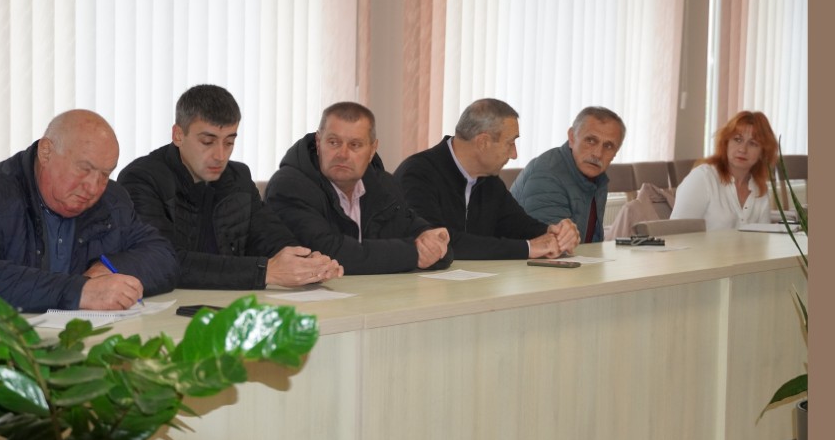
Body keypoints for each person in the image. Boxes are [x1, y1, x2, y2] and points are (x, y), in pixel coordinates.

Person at [0, 109, 179, 313]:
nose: (94, 187)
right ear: (46, 152)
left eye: (105, 174)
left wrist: (108, 267)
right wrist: (80, 291)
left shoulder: (112, 200)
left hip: (73, 340)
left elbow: (163, 257)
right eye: (84, 168)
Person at [117, 84, 343, 290]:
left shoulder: (238, 178)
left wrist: (308, 264)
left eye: (229, 142)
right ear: (178, 135)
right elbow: (162, 261)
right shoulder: (141, 179)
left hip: (231, 305)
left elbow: (272, 238)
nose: (220, 155)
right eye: (207, 142)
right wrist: (265, 272)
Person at [264, 102, 452, 274]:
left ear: (372, 150)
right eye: (333, 142)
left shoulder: (384, 185)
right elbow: (329, 252)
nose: (343, 154)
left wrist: (433, 245)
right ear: (318, 143)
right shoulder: (289, 186)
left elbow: (438, 244)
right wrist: (414, 253)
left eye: (355, 145)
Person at [393, 98, 580, 259]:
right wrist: (528, 248)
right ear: (483, 142)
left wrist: (556, 234)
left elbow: (519, 226)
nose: (514, 154)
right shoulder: (417, 174)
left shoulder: (488, 180)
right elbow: (438, 242)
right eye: (510, 143)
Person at [510, 106, 626, 243]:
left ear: (616, 152)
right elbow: (554, 246)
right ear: (572, 137)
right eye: (590, 140)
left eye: (608, 146)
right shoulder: (546, 176)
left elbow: (591, 243)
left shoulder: (597, 178)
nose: (598, 154)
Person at [670, 110, 779, 230]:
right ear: (726, 143)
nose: (743, 149)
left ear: (763, 153)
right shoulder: (703, 178)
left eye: (753, 143)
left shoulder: (760, 189)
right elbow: (676, 233)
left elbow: (763, 238)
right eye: (737, 139)